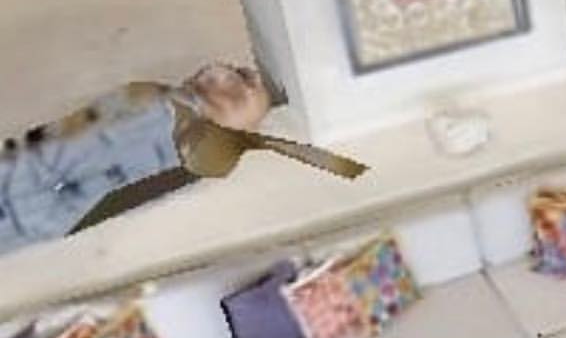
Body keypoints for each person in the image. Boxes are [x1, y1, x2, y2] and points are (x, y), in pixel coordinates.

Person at [0, 64, 364, 253]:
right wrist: (40, 221)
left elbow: (101, 186)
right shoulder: (163, 115)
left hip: (30, 214)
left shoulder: (178, 130)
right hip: (22, 207)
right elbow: (60, 158)